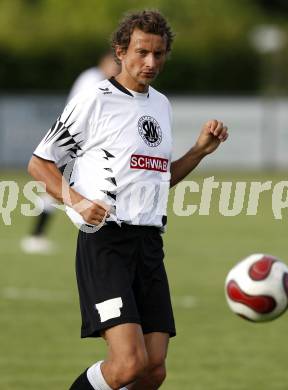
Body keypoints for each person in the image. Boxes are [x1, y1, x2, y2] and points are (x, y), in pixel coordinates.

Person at [28, 10, 228, 390]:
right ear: (121, 51)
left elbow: (158, 180)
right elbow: (39, 163)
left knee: (153, 371)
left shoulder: (161, 105)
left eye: (158, 53)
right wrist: (78, 201)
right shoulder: (95, 99)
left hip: (149, 244)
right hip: (107, 243)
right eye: (141, 52)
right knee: (127, 364)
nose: (150, 62)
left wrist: (199, 151)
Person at [21, 52, 120, 254]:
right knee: (56, 189)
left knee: (61, 190)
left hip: (80, 144)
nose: (116, 69)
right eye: (114, 65)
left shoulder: (98, 79)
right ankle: (35, 236)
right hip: (75, 144)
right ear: (104, 63)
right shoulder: (93, 79)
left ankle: (37, 236)